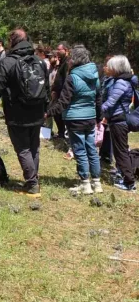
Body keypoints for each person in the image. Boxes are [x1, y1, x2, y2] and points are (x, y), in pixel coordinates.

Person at [0, 29, 49, 197]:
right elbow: (47, 88)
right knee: (34, 148)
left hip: (17, 113)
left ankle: (32, 184)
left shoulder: (7, 62)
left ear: (12, 41)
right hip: (37, 112)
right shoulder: (40, 62)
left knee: (23, 148)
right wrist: (46, 110)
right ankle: (33, 179)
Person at [47, 45, 103, 194]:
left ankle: (85, 183)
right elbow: (98, 99)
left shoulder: (72, 77)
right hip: (90, 118)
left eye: (71, 58)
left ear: (76, 60)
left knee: (79, 150)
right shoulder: (95, 76)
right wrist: (99, 117)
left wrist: (48, 112)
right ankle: (97, 183)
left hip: (75, 118)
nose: (69, 60)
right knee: (91, 149)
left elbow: (63, 102)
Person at [101, 55, 138, 192]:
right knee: (121, 150)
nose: (107, 68)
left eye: (110, 66)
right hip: (117, 120)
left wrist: (97, 112)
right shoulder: (120, 80)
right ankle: (124, 176)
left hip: (118, 121)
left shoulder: (121, 83)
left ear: (117, 68)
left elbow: (111, 102)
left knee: (121, 152)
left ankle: (129, 183)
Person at [51, 42, 70, 139]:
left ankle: (63, 133)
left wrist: (62, 93)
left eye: (59, 50)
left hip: (62, 94)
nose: (57, 51)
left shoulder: (67, 62)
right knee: (57, 114)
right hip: (57, 92)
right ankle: (61, 133)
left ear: (66, 50)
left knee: (58, 113)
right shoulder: (62, 61)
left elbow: (66, 79)